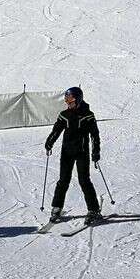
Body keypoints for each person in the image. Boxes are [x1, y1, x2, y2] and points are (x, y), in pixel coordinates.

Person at [44, 87, 102, 225]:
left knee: (84, 180)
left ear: (78, 99)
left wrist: (95, 151)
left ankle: (93, 209)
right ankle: (57, 207)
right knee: (63, 180)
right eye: (66, 100)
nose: (68, 103)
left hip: (82, 152)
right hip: (67, 153)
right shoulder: (64, 115)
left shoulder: (88, 115)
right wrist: (49, 142)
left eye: (70, 100)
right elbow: (56, 130)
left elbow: (95, 135)